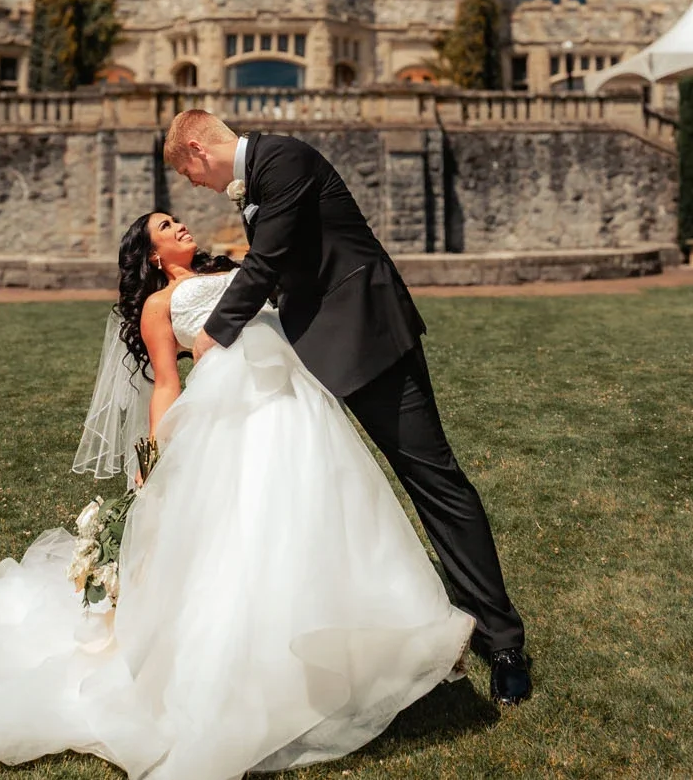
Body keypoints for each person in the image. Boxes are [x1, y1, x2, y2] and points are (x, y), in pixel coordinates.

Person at [0, 211, 473, 779]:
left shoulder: (239, 267)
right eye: (165, 228)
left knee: (323, 520)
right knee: (248, 535)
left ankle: (358, 646)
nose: (181, 227)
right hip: (232, 416)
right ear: (151, 256)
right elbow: (167, 383)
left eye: (177, 220)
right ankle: (258, 672)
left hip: (299, 404)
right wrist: (151, 464)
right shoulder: (159, 305)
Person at [164, 109, 532, 705]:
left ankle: (503, 639)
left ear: (198, 151)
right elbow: (290, 267)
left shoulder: (283, 160)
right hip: (319, 348)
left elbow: (271, 259)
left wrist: (215, 333)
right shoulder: (257, 180)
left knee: (433, 479)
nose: (195, 187)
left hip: (369, 337)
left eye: (189, 175)